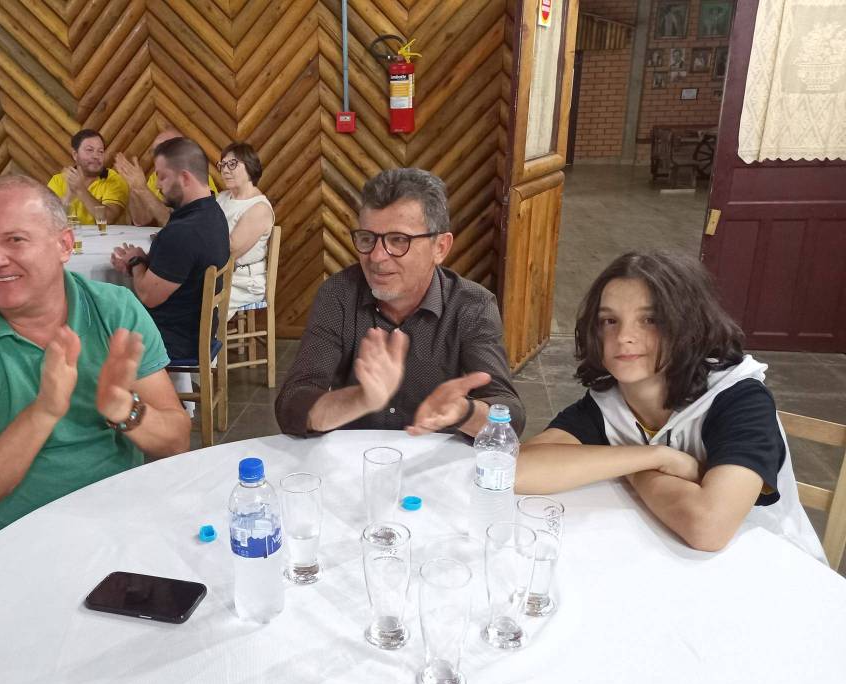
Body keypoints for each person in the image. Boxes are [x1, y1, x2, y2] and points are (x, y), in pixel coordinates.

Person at [0, 175, 190, 550]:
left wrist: (124, 408)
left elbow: (176, 442)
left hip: (121, 517)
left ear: (64, 245)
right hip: (10, 536)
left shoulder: (115, 311)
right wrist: (44, 411)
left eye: (15, 239)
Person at [515, 252, 824, 560]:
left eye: (650, 320)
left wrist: (634, 469)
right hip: (672, 555)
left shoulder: (739, 399)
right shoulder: (608, 401)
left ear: (689, 326)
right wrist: (655, 457)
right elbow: (514, 470)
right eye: (609, 321)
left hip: (771, 564)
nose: (623, 337)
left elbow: (708, 527)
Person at [275, 167, 525, 438]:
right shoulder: (338, 294)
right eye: (368, 238)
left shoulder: (472, 306)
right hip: (354, 458)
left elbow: (511, 416)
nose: (376, 257)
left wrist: (464, 412)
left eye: (398, 240)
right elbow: (291, 405)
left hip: (435, 458)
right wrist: (360, 399)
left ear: (440, 247)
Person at [109, 138, 230, 363]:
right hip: (194, 331)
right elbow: (184, 268)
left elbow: (148, 296)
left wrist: (135, 261)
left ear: (184, 178)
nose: (157, 185)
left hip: (172, 339)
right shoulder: (213, 212)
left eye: (162, 176)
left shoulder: (183, 231)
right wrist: (143, 261)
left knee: (93, 328)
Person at [114, 128, 219, 227]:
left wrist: (142, 189)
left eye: (162, 150)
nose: (158, 185)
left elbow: (182, 225)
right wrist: (133, 186)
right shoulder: (154, 178)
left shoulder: (196, 178)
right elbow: (141, 220)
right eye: (154, 151)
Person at [215, 142, 274, 317]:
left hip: (242, 282)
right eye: (222, 165)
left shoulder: (259, 208)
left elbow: (229, 250)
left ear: (250, 166)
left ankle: (206, 335)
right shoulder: (222, 197)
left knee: (194, 301)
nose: (225, 170)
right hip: (219, 274)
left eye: (232, 164)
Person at [47, 129, 128, 225]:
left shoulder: (114, 180)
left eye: (100, 151)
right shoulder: (58, 180)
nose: (96, 156)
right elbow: (49, 220)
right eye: (89, 150)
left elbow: (108, 220)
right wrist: (68, 196)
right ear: (75, 155)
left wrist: (81, 190)